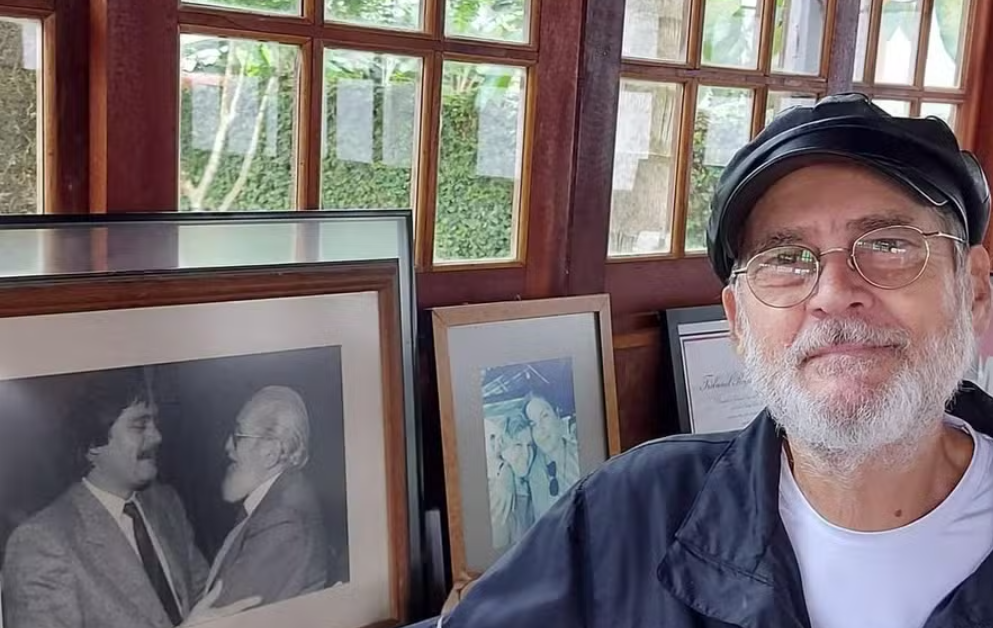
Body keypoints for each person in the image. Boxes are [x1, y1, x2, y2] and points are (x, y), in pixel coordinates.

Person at [439, 93, 993, 628]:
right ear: (737, 322)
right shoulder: (630, 513)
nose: (832, 293)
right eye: (785, 258)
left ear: (972, 290)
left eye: (889, 245)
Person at [1, 370, 257, 628]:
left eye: (155, 423)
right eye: (139, 425)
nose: (157, 437)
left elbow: (206, 595)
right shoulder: (42, 542)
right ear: (94, 445)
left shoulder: (166, 503)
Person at [206, 385, 329, 608]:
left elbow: (224, 612)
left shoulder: (282, 519)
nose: (227, 446)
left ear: (270, 452)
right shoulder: (278, 497)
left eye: (238, 436)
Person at [523, 394, 580, 517]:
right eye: (533, 424)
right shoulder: (530, 470)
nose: (540, 429)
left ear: (557, 414)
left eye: (544, 416)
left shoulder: (579, 455)